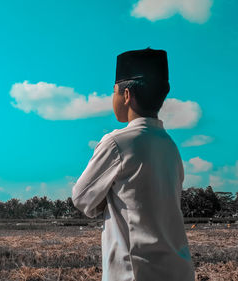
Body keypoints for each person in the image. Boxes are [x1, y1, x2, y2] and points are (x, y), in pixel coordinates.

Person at [72, 48, 195, 281]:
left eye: (114, 91)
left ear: (126, 95)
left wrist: (106, 197)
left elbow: (82, 197)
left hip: (135, 273)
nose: (113, 97)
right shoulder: (170, 146)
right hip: (179, 271)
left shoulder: (117, 143)